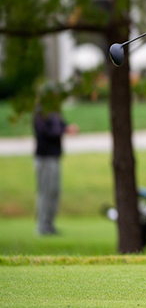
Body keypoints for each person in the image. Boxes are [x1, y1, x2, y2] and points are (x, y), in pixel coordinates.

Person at [33, 85, 78, 235]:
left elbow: (60, 125)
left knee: (54, 191)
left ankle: (50, 224)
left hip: (55, 156)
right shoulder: (41, 112)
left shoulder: (55, 112)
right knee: (45, 191)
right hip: (44, 157)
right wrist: (63, 130)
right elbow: (46, 132)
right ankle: (42, 226)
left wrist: (67, 128)